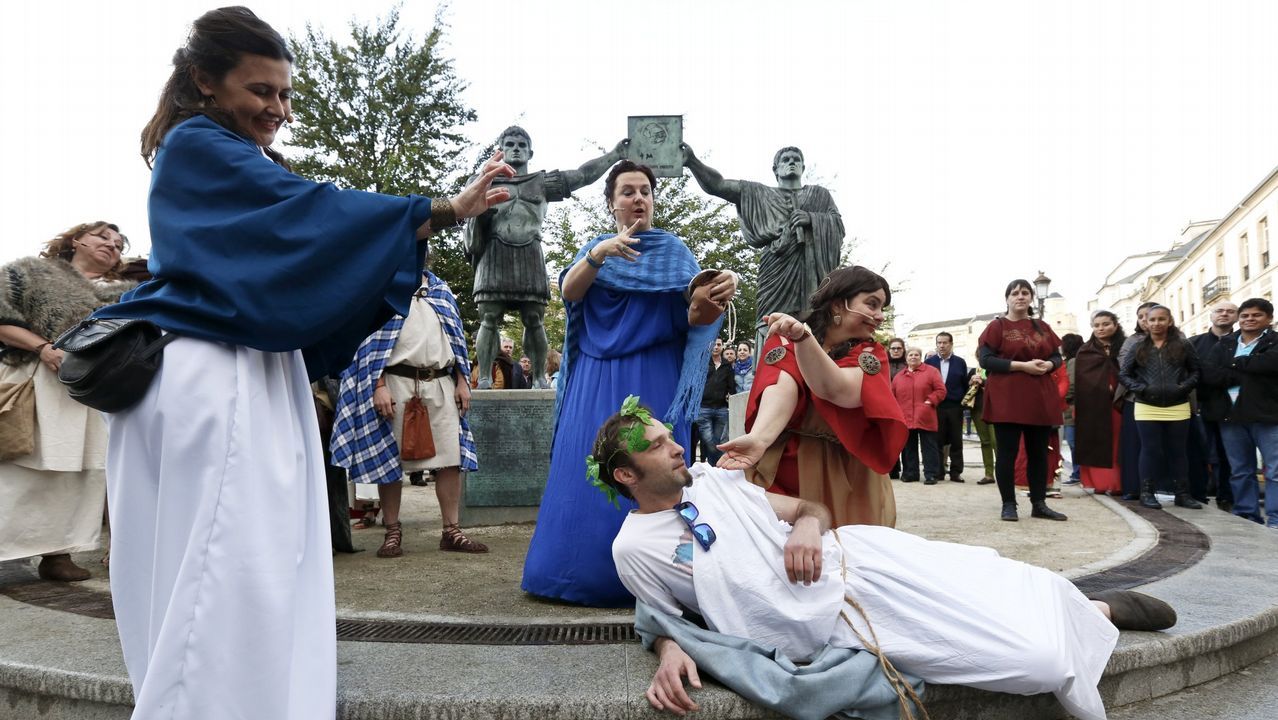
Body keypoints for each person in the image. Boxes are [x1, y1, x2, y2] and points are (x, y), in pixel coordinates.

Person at [92, 8, 515, 718]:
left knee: (258, 564)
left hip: (250, 369)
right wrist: (440, 209)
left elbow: (301, 232)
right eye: (262, 91)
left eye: (286, 95)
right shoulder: (196, 145)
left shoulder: (227, 156)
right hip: (217, 374)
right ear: (204, 80)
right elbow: (310, 214)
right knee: (227, 570)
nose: (278, 110)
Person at [597, 404, 1176, 720]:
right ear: (626, 475)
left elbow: (809, 507)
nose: (675, 446)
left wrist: (803, 527)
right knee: (1042, 665)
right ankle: (1095, 615)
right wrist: (669, 652)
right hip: (841, 621)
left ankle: (1093, 604)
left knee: (997, 574)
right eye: (654, 445)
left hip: (862, 560)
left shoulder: (712, 480)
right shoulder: (635, 548)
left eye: (668, 435)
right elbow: (663, 617)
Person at [520, 160, 737, 606]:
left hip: (656, 375)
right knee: (587, 469)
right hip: (595, 378)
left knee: (657, 468)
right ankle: (574, 574)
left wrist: (719, 290)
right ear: (612, 204)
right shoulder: (595, 250)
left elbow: (696, 315)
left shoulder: (675, 253)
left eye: (644, 191)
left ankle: (663, 574)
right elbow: (569, 293)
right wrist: (599, 255)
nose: (638, 198)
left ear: (654, 199)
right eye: (627, 192)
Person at [717, 266, 908, 528]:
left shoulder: (871, 353)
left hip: (849, 472)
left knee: (848, 553)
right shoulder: (785, 339)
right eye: (872, 304)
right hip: (788, 465)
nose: (879, 316)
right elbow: (781, 387)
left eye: (882, 307)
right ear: (839, 304)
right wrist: (759, 438)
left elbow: (836, 389)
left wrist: (803, 338)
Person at [0, 222, 136, 581]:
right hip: (33, 379)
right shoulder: (31, 271)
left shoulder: (126, 294)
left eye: (119, 245)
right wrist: (43, 347)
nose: (112, 246)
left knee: (79, 474)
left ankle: (58, 555)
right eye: (103, 236)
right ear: (77, 239)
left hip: (90, 391)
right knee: (18, 466)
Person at [331, 268, 488, 557]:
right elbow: (366, 344)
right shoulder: (383, 289)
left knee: (450, 459)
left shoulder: (441, 291)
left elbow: (456, 341)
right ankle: (392, 531)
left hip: (441, 381)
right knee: (389, 461)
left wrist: (464, 381)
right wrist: (378, 385)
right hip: (395, 382)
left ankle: (451, 530)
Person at [466, 126, 626, 389]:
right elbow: (461, 208)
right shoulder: (483, 181)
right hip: (494, 253)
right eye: (509, 144)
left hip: (530, 252)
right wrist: (480, 181)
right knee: (489, 318)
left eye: (520, 144)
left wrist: (614, 155)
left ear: (530, 151)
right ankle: (484, 376)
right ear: (500, 150)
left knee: (534, 319)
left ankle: (540, 376)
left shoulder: (541, 182)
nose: (515, 148)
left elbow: (583, 175)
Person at [681, 144, 844, 338]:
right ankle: (769, 366)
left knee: (820, 323)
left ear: (803, 167)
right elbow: (718, 185)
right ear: (775, 169)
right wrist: (692, 161)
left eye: (796, 159)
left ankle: (817, 365)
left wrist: (812, 219)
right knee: (770, 321)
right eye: (786, 159)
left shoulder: (820, 194)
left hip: (814, 270)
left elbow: (838, 226)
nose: (792, 161)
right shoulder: (758, 193)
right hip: (776, 268)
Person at [977, 279, 1068, 522]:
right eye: (1015, 293)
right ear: (1007, 298)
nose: (1021, 296)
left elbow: (1056, 357)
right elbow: (986, 360)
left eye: (1025, 292)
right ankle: (1009, 504)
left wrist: (1049, 364)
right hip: (1007, 397)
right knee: (1006, 453)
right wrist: (1022, 366)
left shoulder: (1042, 327)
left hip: (1039, 397)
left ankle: (1039, 503)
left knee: (1038, 453)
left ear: (1030, 298)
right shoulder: (997, 327)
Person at [1199, 298, 1277, 526]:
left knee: (1274, 472)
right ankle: (1247, 515)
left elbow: (1271, 364)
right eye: (1245, 316)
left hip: (1268, 416)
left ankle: (1275, 518)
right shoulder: (1225, 343)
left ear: (1269, 319)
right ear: (1239, 319)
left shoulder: (1275, 342)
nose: (1250, 319)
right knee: (1240, 470)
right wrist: (1248, 367)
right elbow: (1210, 373)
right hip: (1231, 417)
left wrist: (1234, 366)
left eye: (1256, 315)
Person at [1119, 305, 1202, 510]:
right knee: (1150, 450)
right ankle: (1147, 492)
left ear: (1169, 321)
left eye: (1161, 319)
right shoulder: (1137, 346)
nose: (1156, 323)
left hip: (1178, 404)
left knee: (1178, 451)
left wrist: (1182, 388)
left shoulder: (1183, 344)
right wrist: (1142, 389)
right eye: (1152, 319)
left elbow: (1196, 371)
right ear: (1145, 322)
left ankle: (1182, 493)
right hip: (1147, 405)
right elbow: (1124, 374)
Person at [1190, 301, 1239, 511]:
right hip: (1202, 406)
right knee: (1199, 452)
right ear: (1210, 315)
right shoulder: (1194, 343)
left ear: (1236, 316)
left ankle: (1226, 497)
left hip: (1234, 409)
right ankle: (1198, 494)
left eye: (1230, 311)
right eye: (1219, 311)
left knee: (1228, 455)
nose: (1224, 315)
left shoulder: (1243, 342)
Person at [1072, 311, 1126, 496]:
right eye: (1097, 325)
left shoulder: (1126, 347)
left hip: (1120, 403)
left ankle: (1120, 483)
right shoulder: (1086, 351)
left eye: (1105, 324)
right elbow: (1082, 380)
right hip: (1093, 406)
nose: (1101, 328)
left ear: (1115, 325)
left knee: (1119, 442)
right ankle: (1101, 482)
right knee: (1097, 442)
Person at [1116, 301, 1157, 500]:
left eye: (1149, 315)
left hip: (1173, 400)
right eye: (1141, 316)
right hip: (1137, 398)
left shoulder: (1178, 339)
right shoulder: (1131, 341)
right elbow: (1126, 368)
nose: (1145, 320)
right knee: (1134, 445)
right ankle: (1133, 487)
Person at [891, 347, 946, 484]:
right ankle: (911, 473)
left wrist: (930, 401)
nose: (913, 357)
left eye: (916, 355)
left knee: (929, 446)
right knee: (908, 447)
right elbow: (892, 395)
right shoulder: (899, 376)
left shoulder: (931, 372)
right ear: (906, 358)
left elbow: (941, 390)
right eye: (910, 355)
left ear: (920, 357)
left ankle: (931, 474)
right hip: (905, 417)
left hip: (925, 415)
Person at [925, 331, 968, 482]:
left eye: (945, 343)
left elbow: (964, 384)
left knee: (956, 440)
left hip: (955, 406)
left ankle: (956, 472)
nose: (941, 345)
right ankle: (938, 472)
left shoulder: (960, 362)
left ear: (951, 344)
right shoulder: (929, 363)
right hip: (936, 407)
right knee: (937, 439)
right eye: (939, 343)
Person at [695, 338, 735, 464]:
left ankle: (714, 468)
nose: (716, 347)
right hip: (704, 407)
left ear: (722, 346)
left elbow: (731, 385)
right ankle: (711, 465)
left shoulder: (727, 365)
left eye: (719, 344)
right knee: (708, 440)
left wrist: (732, 398)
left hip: (721, 408)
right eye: (714, 344)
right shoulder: (703, 363)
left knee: (718, 441)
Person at [1059, 333, 1085, 484]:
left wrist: (1063, 399)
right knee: (1073, 441)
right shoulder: (1074, 360)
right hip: (1073, 406)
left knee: (1073, 441)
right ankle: (1078, 472)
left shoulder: (1073, 362)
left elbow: (1071, 384)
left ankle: (1078, 473)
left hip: (1071, 407)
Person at [965, 365, 997, 484]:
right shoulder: (975, 371)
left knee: (996, 442)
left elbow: (1000, 386)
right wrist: (970, 382)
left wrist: (983, 382)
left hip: (996, 410)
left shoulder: (997, 369)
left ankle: (1004, 473)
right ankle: (989, 474)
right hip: (978, 409)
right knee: (985, 441)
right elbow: (965, 390)